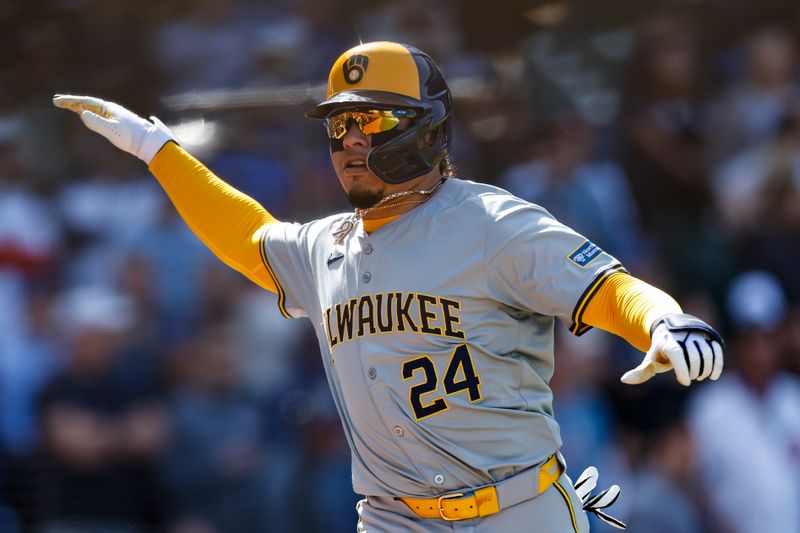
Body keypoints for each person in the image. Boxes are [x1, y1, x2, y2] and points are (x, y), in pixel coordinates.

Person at [54, 41, 724, 532]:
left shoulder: (490, 222)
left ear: (426, 127)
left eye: (371, 119)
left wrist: (661, 322)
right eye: (340, 124)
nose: (348, 138)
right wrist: (158, 151)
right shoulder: (326, 246)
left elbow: (607, 287)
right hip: (394, 519)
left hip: (515, 511)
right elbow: (251, 239)